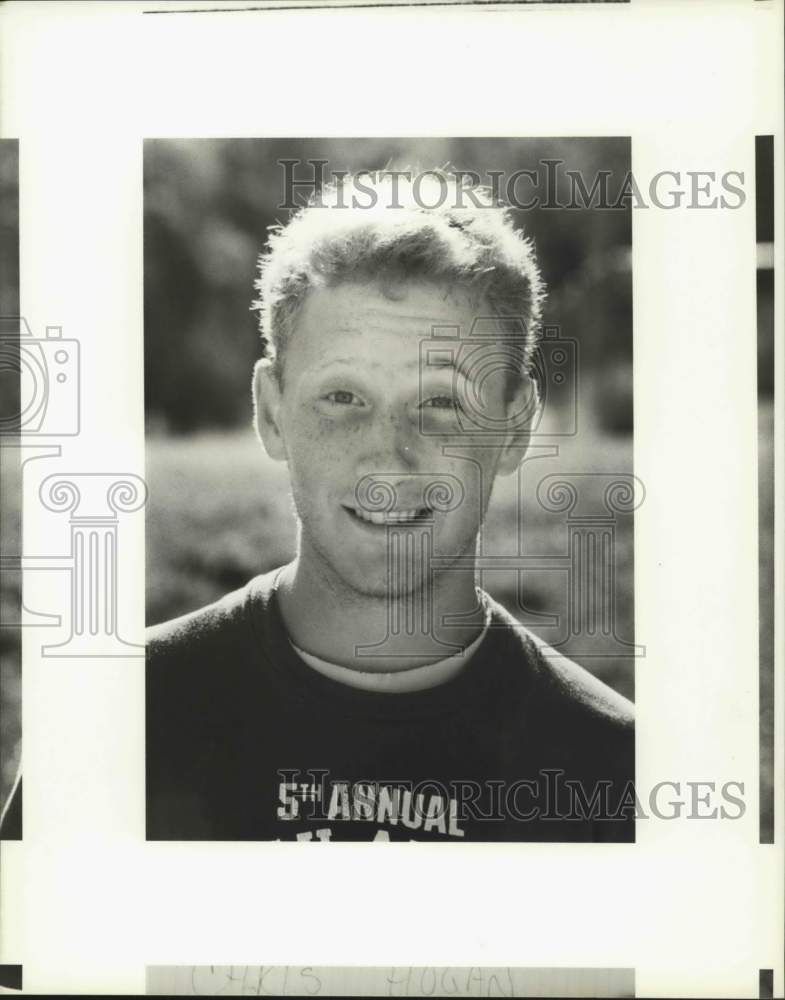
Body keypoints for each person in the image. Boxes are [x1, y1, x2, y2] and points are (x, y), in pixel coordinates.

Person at [145, 171, 634, 843]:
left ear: (514, 427)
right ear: (271, 412)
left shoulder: (611, 772)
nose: (386, 456)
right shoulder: (121, 722)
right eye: (342, 397)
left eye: (439, 402)